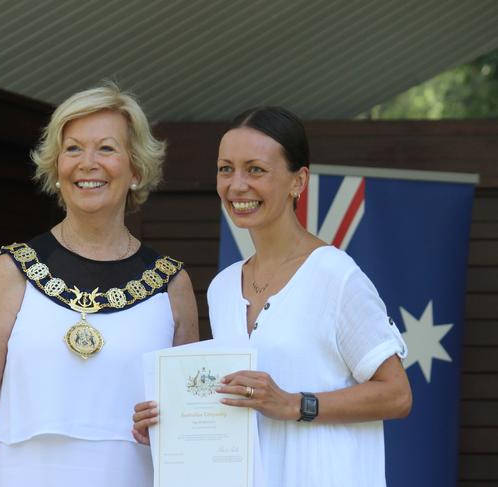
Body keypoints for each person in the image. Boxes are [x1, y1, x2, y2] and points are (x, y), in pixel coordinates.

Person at [133, 106, 411, 487]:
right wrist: (172, 424)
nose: (237, 185)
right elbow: (229, 404)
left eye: (256, 170)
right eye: (226, 169)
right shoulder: (223, 287)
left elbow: (397, 395)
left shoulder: (335, 275)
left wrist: (295, 404)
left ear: (298, 182)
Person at [0, 82, 199, 487]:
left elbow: (191, 422)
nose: (88, 163)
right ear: (57, 166)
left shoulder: (173, 285)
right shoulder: (11, 270)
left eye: (106, 148)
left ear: (135, 168)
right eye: (74, 148)